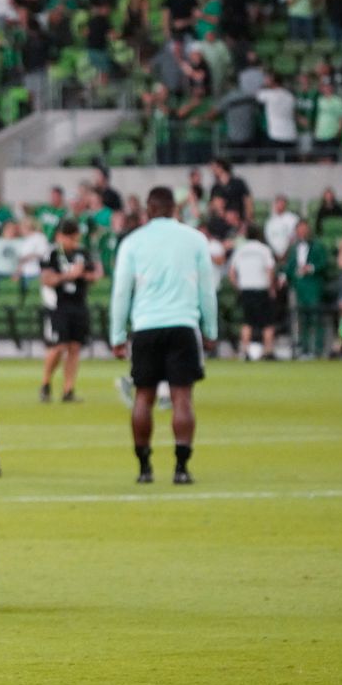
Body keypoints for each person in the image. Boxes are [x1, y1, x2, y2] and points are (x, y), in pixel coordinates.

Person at [110, 187, 217, 485]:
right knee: (182, 397)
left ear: (148, 208)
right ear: (174, 209)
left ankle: (144, 468)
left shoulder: (133, 242)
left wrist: (117, 335)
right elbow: (206, 289)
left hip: (145, 326)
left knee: (143, 397)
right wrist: (210, 330)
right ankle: (181, 468)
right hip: (183, 324)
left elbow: (121, 292)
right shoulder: (195, 239)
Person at [38, 219, 95, 403]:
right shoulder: (52, 254)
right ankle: (46, 383)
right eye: (68, 237)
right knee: (58, 346)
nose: (72, 241)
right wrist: (69, 275)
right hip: (58, 305)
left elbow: (94, 275)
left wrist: (84, 275)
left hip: (79, 304)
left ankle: (68, 389)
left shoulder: (82, 253)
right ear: (60, 236)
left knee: (75, 347)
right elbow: (46, 279)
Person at [227, 226, 279, 361]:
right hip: (261, 289)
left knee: (247, 322)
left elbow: (232, 273)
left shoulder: (240, 250)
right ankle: (268, 351)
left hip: (246, 289)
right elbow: (270, 270)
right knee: (267, 322)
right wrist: (271, 287)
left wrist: (239, 287)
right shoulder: (264, 249)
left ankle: (245, 351)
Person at [281, 220, 329, 358]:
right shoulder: (294, 248)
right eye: (299, 229)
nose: (302, 232)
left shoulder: (318, 246)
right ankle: (305, 348)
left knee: (315, 318)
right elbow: (289, 266)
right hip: (299, 286)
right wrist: (284, 276)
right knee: (301, 319)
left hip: (313, 286)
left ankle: (318, 349)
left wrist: (311, 268)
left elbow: (324, 263)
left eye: (304, 229)